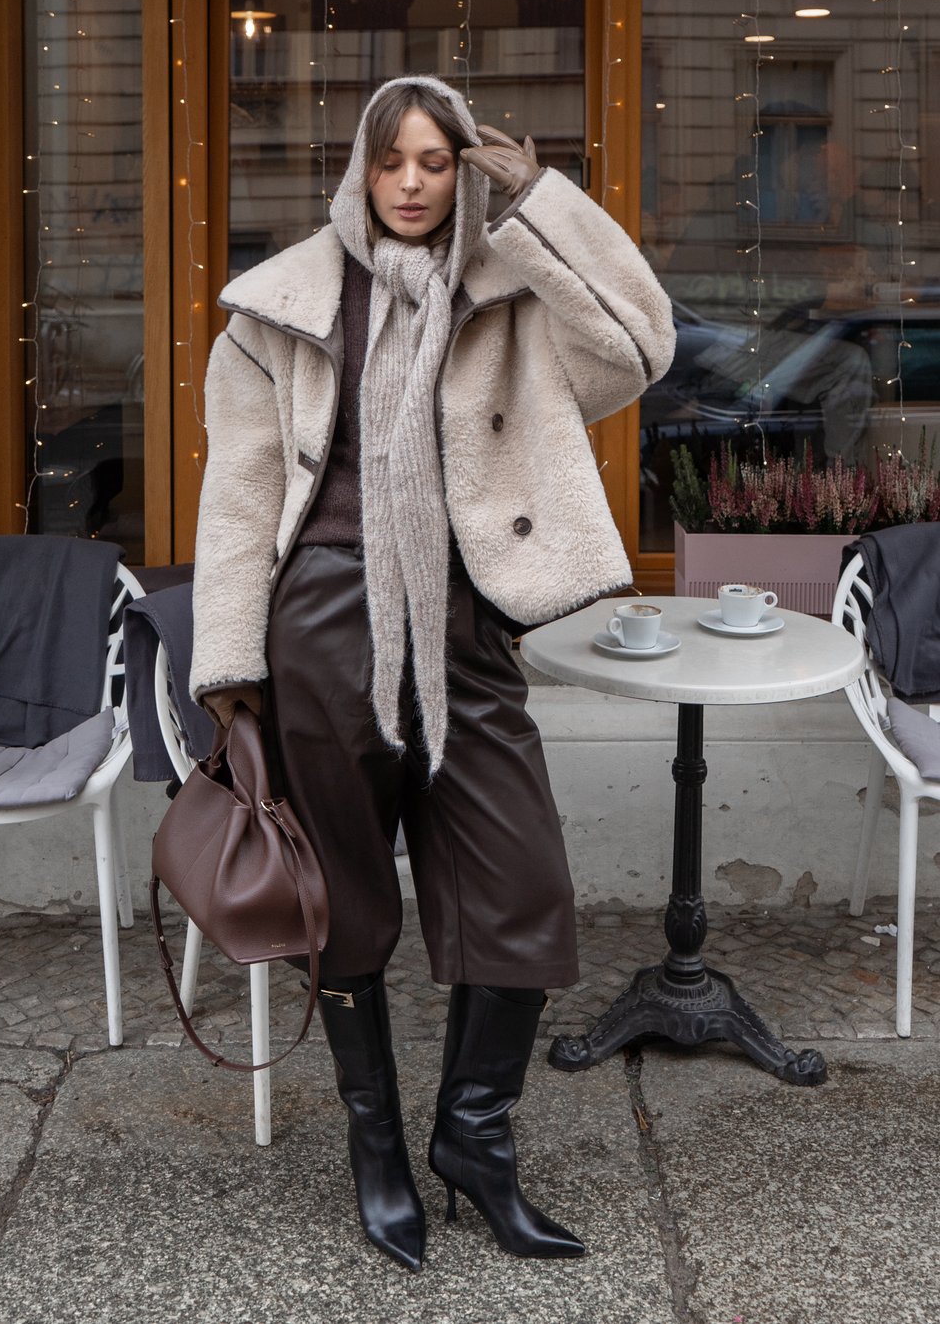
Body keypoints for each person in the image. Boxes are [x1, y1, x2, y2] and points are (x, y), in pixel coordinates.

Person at [189, 75, 675, 1271]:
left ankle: (474, 1139)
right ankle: (377, 1149)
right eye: (391, 160)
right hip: (322, 619)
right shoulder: (277, 306)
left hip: (465, 622)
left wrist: (542, 201)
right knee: (342, 895)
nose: (412, 182)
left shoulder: (510, 286)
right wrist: (232, 664)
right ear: (358, 168)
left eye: (438, 161)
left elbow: (639, 347)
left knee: (522, 886)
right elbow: (241, 496)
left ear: (465, 171)